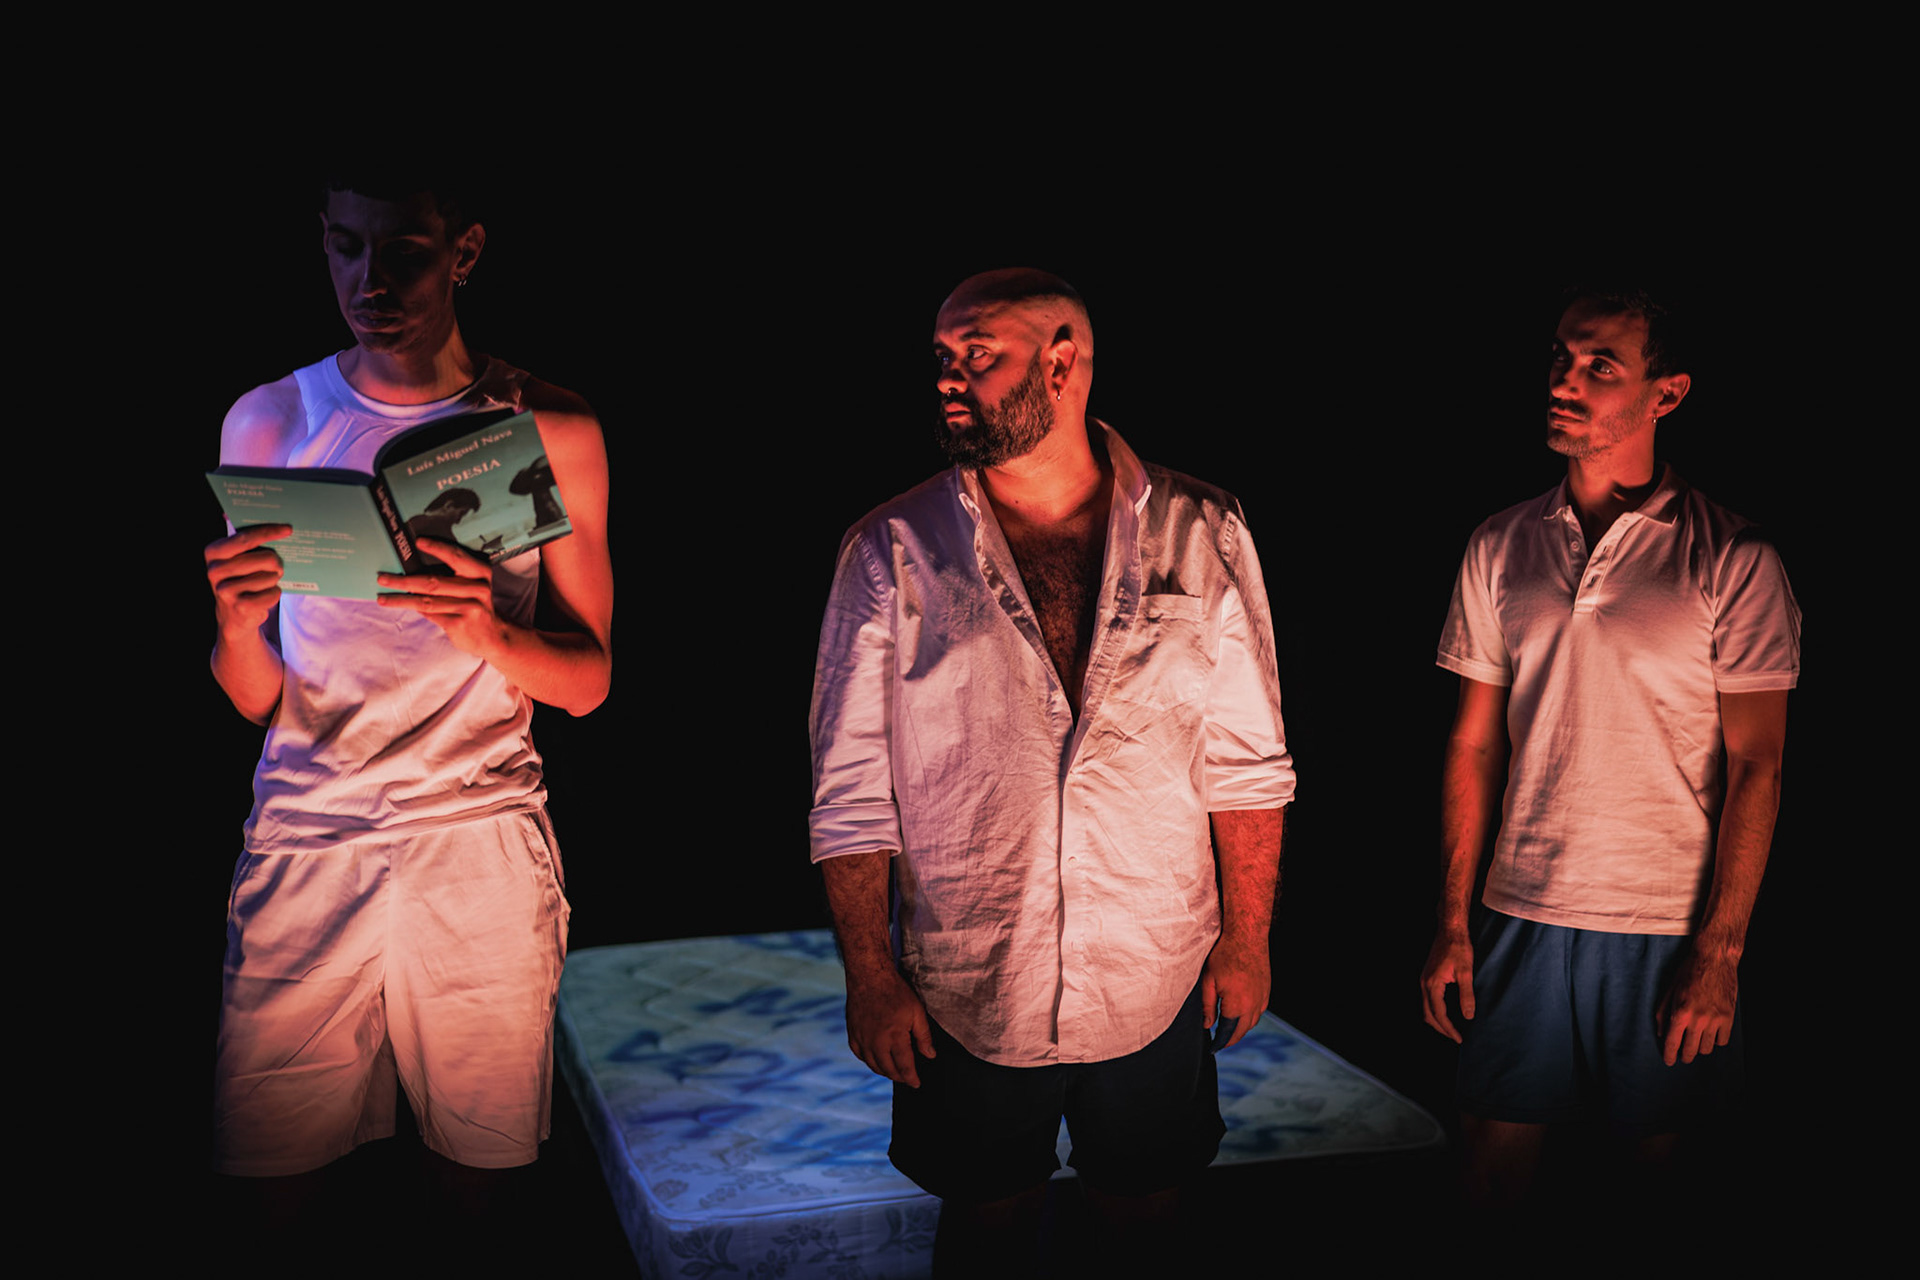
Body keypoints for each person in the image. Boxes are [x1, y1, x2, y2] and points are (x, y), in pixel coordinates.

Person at [808, 269, 1294, 1270]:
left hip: (1155, 966)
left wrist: (1247, 938)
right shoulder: (891, 548)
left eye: (977, 354)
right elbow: (850, 789)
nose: (948, 378)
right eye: (942, 358)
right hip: (971, 978)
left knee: (1146, 1218)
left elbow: (1247, 762)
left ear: (1063, 361)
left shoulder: (1203, 529)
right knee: (984, 1223)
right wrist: (869, 972)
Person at [203, 170, 613, 1248]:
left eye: (404, 252)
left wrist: (489, 632)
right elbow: (260, 699)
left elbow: (589, 679)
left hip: (476, 838)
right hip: (309, 835)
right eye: (345, 246)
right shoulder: (272, 418)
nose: (369, 281)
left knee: (480, 1185)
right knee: (271, 1185)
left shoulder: (546, 424)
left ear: (464, 251)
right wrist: (236, 628)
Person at [1419, 285, 1799, 1211]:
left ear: (1666, 394)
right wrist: (1454, 921)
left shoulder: (1734, 557)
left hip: (1663, 923)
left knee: (1658, 1186)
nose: (1565, 381)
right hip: (1521, 908)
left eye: (1600, 366)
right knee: (1487, 1172)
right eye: (1560, 357)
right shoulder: (1500, 543)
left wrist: (1721, 953)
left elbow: (1757, 764)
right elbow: (1473, 743)